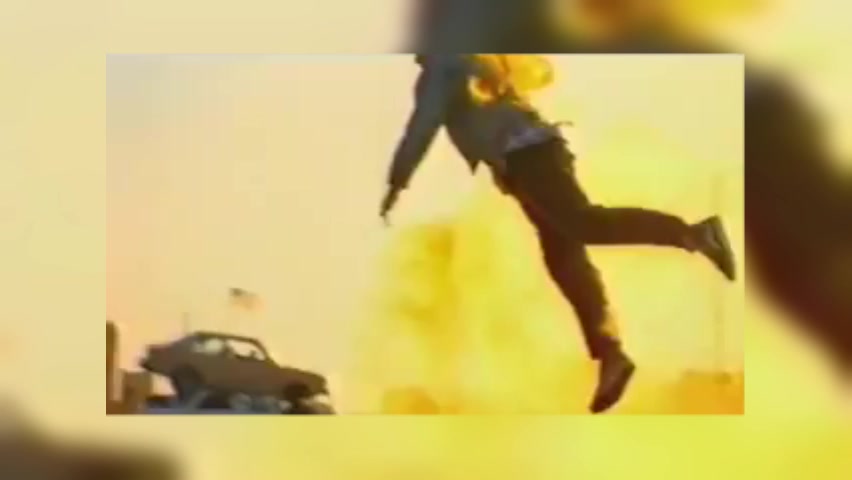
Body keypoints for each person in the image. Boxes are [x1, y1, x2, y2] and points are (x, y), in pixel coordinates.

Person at [381, 54, 737, 413]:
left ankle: (693, 235)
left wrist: (397, 183)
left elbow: (421, 128)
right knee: (564, 258)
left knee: (583, 225)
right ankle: (610, 352)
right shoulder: (469, 60)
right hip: (530, 156)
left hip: (527, 156)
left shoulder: (443, 68)